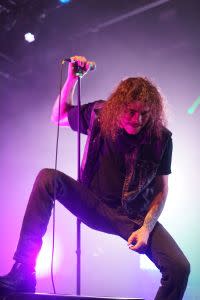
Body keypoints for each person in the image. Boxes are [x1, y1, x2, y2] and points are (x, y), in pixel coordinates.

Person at [0, 56, 190, 300]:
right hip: (91, 202)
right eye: (131, 112)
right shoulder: (100, 114)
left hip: (131, 217)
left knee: (179, 269)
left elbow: (162, 190)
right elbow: (57, 116)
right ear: (118, 107)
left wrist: (146, 228)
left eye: (144, 113)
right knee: (48, 178)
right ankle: (23, 271)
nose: (137, 120)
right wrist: (71, 80)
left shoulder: (161, 138)